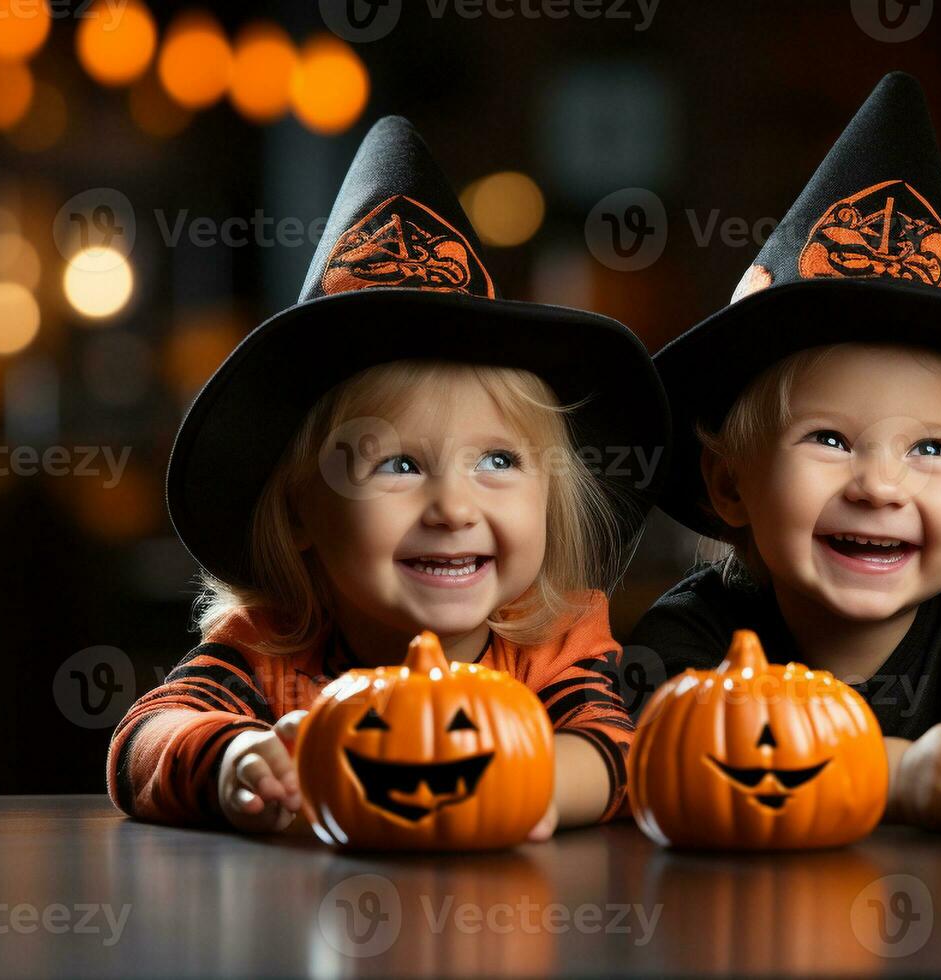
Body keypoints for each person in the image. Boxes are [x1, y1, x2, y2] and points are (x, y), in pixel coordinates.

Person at [107, 117, 669, 838]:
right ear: (302, 512)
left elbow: (618, 749)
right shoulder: (271, 648)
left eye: (497, 461)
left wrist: (520, 786)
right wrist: (236, 758)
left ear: (552, 496)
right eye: (397, 465)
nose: (452, 507)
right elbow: (141, 739)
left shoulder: (551, 644)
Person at [628, 73, 941, 831]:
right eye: (829, 439)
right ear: (728, 485)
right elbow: (668, 763)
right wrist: (891, 770)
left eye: (931, 449)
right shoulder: (694, 640)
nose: (880, 486)